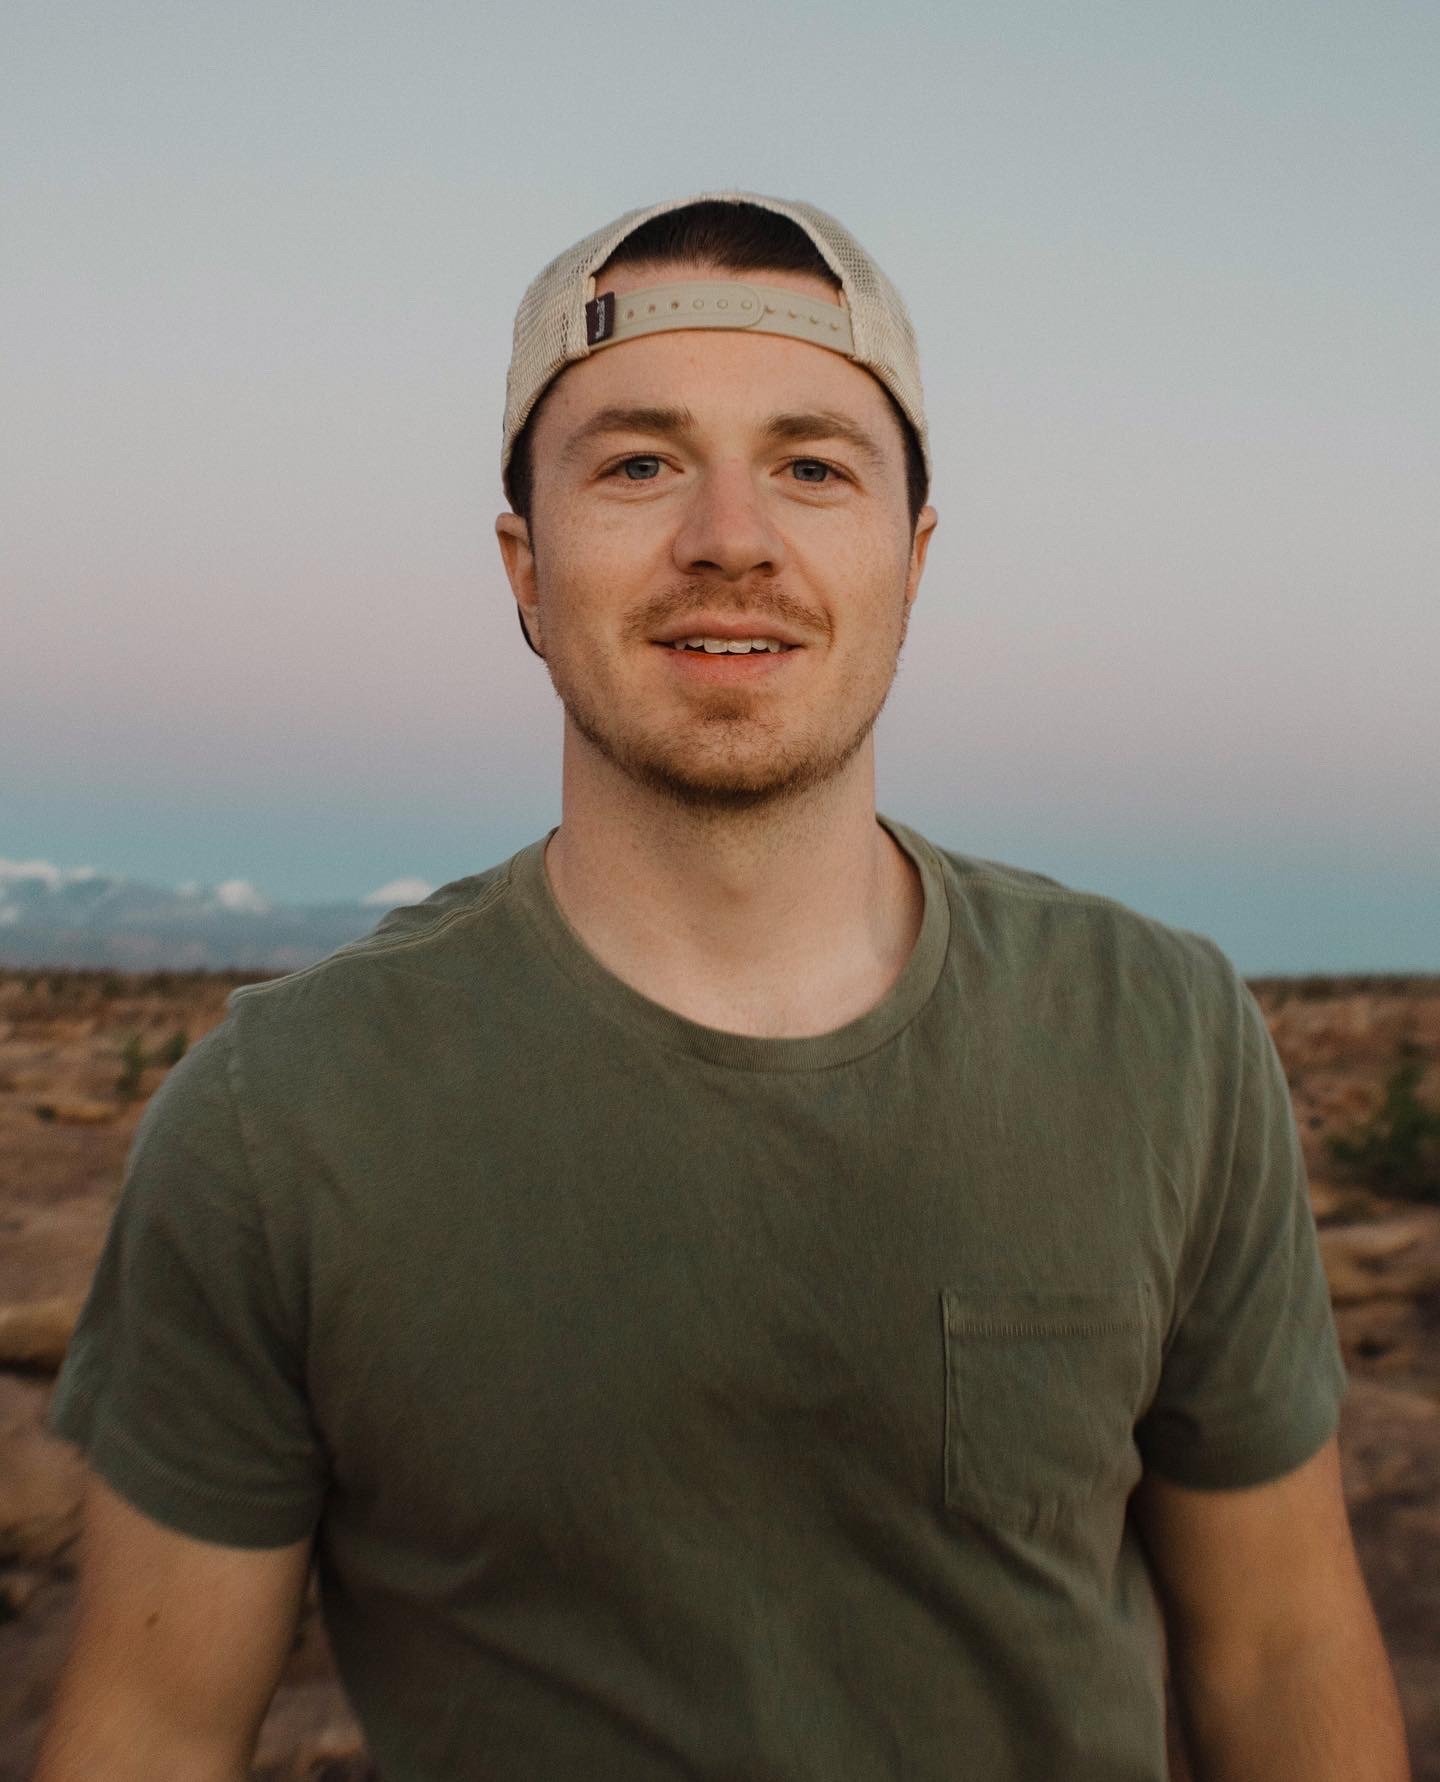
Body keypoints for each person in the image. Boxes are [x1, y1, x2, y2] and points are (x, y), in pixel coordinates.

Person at [37, 191, 1409, 1782]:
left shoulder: (1164, 1036)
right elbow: (150, 1727)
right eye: (638, 463)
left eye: (813, 465)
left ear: (911, 557)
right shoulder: (279, 1117)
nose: (730, 539)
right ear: (524, 568)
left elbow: (1281, 1647)